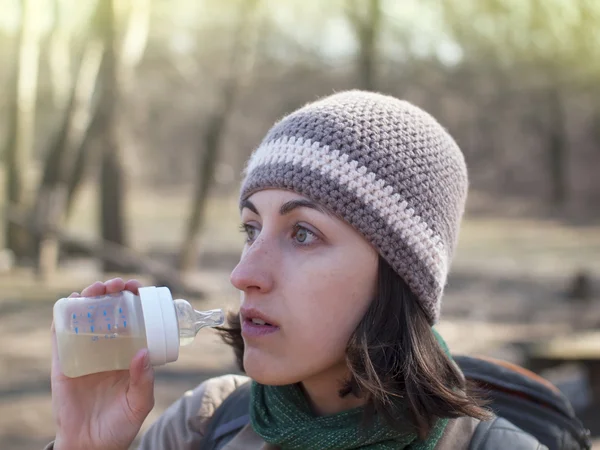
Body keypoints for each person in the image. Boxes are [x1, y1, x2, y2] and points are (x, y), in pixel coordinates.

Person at [45, 90, 546, 450]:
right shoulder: (205, 424)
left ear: (399, 273)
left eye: (303, 233)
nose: (244, 274)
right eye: (250, 230)